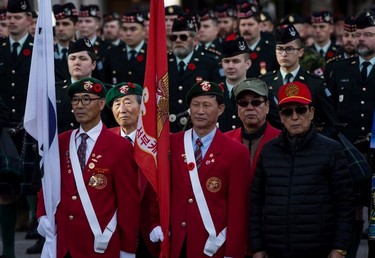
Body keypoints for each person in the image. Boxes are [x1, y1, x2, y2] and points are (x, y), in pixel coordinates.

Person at [36, 78, 141, 258]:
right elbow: (47, 184)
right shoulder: (61, 142)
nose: (79, 106)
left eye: (86, 99)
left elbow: (128, 203)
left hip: (100, 243)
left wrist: (127, 249)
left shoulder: (119, 146)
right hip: (65, 243)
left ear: (101, 104)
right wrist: (42, 214)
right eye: (75, 100)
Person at [250, 81, 354, 258]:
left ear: (311, 112)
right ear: (281, 117)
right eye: (288, 112)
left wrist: (339, 248)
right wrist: (257, 247)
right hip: (275, 249)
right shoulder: (268, 151)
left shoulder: (331, 150)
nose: (295, 117)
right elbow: (256, 202)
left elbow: (345, 204)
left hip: (318, 249)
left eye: (301, 110)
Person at [169, 80, 250, 257]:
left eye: (207, 105)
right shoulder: (172, 144)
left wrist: (233, 252)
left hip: (212, 244)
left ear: (220, 109)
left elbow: (238, 209)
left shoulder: (236, 152)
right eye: (195, 105)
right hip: (176, 243)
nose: (200, 111)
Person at [326, 10, 375, 257]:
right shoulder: (338, 68)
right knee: (351, 208)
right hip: (349, 152)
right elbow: (330, 111)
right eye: (359, 35)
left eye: (369, 34)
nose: (362, 39)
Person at [105, 82, 162, 257]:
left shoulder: (158, 140)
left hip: (149, 229)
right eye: (117, 104)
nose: (122, 109)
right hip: (112, 229)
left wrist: (159, 222)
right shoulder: (104, 140)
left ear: (142, 107)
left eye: (128, 102)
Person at [225, 78, 280, 257]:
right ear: (238, 109)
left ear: (267, 106)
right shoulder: (224, 141)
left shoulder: (282, 141)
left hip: (270, 233)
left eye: (256, 102)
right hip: (230, 231)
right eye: (243, 103)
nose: (250, 107)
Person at [260, 24, 339, 138]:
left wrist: (314, 143)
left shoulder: (316, 83)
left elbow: (332, 124)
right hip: (275, 147)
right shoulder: (265, 83)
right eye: (280, 49)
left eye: (289, 49)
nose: (284, 54)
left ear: (301, 52)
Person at [0, 1, 34, 257]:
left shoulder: (39, 50)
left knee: (37, 186)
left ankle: (42, 235)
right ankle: (9, 249)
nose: (11, 21)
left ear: (28, 20)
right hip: (2, 127)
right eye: (8, 17)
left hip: (30, 126)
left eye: (17, 16)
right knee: (5, 191)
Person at [167, 16, 222, 132]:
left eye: (183, 37)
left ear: (195, 40)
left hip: (197, 127)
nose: (178, 40)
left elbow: (217, 97)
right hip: (167, 128)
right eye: (174, 37)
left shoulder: (210, 62)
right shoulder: (163, 62)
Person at [103, 10, 147, 86]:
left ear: (143, 30)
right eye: (124, 29)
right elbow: (106, 83)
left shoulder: (152, 54)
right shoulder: (112, 53)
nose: (128, 33)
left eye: (133, 29)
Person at [218, 36, 251, 132]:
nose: (230, 66)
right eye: (226, 61)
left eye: (236, 61)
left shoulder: (259, 92)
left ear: (247, 64)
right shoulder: (214, 93)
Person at [237, 3, 278, 78]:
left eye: (250, 24)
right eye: (243, 25)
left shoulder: (271, 48)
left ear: (260, 26)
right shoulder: (235, 49)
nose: (246, 28)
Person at [52, 2, 79, 82]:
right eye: (57, 24)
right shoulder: (48, 53)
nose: (60, 28)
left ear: (76, 26)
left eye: (65, 24)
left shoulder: (84, 52)